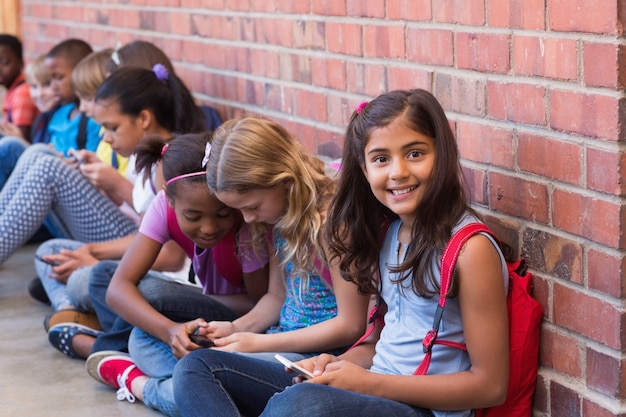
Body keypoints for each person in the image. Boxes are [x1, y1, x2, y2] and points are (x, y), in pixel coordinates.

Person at [215, 89, 509, 417]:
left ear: (443, 153)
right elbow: (378, 343)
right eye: (381, 159)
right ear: (365, 169)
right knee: (205, 368)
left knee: (297, 405)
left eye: (415, 153)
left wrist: (366, 384)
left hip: (425, 410)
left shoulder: (470, 249)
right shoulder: (389, 234)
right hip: (378, 390)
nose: (398, 171)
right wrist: (335, 366)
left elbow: (490, 386)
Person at [169, 117, 370, 416]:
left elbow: (352, 325)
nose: (248, 220)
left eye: (251, 207)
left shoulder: (332, 223)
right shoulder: (281, 217)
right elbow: (276, 298)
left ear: (285, 182)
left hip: (317, 357)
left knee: (195, 370)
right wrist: (236, 330)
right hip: (281, 342)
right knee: (158, 344)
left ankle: (162, 392)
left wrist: (256, 343)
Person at [83, 132, 269, 417]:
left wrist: (190, 320)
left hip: (240, 321)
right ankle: (191, 379)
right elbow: (118, 288)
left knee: (152, 296)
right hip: (200, 318)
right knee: (120, 304)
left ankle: (134, 375)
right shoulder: (163, 207)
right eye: (193, 217)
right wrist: (171, 332)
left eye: (221, 214)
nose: (208, 227)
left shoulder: (248, 226)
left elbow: (261, 308)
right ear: (169, 200)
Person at [45, 63, 205, 359]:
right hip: (148, 268)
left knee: (91, 279)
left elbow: (169, 255)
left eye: (112, 127)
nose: (105, 137)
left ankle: (106, 344)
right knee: (52, 254)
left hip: (175, 281)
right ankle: (77, 314)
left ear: (143, 118)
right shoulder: (141, 158)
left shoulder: (165, 165)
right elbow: (143, 224)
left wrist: (93, 253)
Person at [33, 48, 130, 318]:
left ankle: (73, 306)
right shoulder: (115, 143)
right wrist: (92, 177)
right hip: (114, 236)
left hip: (129, 246)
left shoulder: (155, 158)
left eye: (89, 98)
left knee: (43, 163)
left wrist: (93, 254)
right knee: (46, 254)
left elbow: (162, 243)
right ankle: (68, 309)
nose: (85, 107)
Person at [0, 34, 38, 139]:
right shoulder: (12, 88)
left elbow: (19, 139)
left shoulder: (22, 93)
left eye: (4, 63)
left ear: (21, 62)